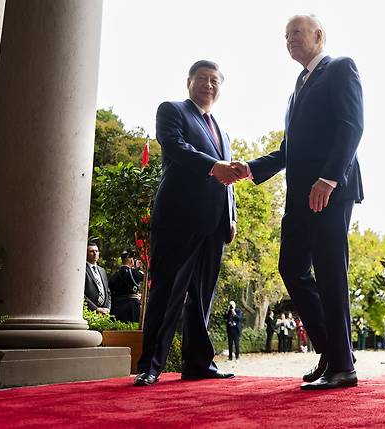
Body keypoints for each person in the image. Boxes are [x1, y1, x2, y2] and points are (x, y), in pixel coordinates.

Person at [235, 14, 363, 390]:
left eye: (296, 33)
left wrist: (329, 177)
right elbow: (289, 150)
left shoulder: (341, 68)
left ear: (319, 35)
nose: (289, 39)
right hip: (298, 196)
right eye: (285, 35)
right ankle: (333, 352)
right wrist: (250, 167)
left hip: (330, 190)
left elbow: (351, 125)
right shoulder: (297, 85)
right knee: (291, 267)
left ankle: (343, 368)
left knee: (330, 274)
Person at [134, 60, 243, 386]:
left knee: (201, 298)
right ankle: (150, 366)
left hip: (214, 225)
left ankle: (198, 364)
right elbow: (176, 148)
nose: (208, 85)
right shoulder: (172, 111)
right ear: (189, 82)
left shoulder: (222, 130)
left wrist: (232, 214)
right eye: (202, 78)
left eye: (215, 81)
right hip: (178, 220)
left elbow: (228, 180)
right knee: (167, 292)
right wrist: (215, 166)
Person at [108, 251, 143, 323]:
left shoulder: (114, 276)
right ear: (131, 261)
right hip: (132, 308)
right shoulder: (135, 273)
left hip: (117, 308)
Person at [84, 243, 111, 315]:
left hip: (104, 312)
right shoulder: (82, 269)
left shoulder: (102, 271)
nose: (95, 253)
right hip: (89, 312)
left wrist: (108, 308)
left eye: (97, 251)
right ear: (86, 253)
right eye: (91, 251)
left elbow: (108, 292)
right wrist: (95, 309)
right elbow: (81, 294)